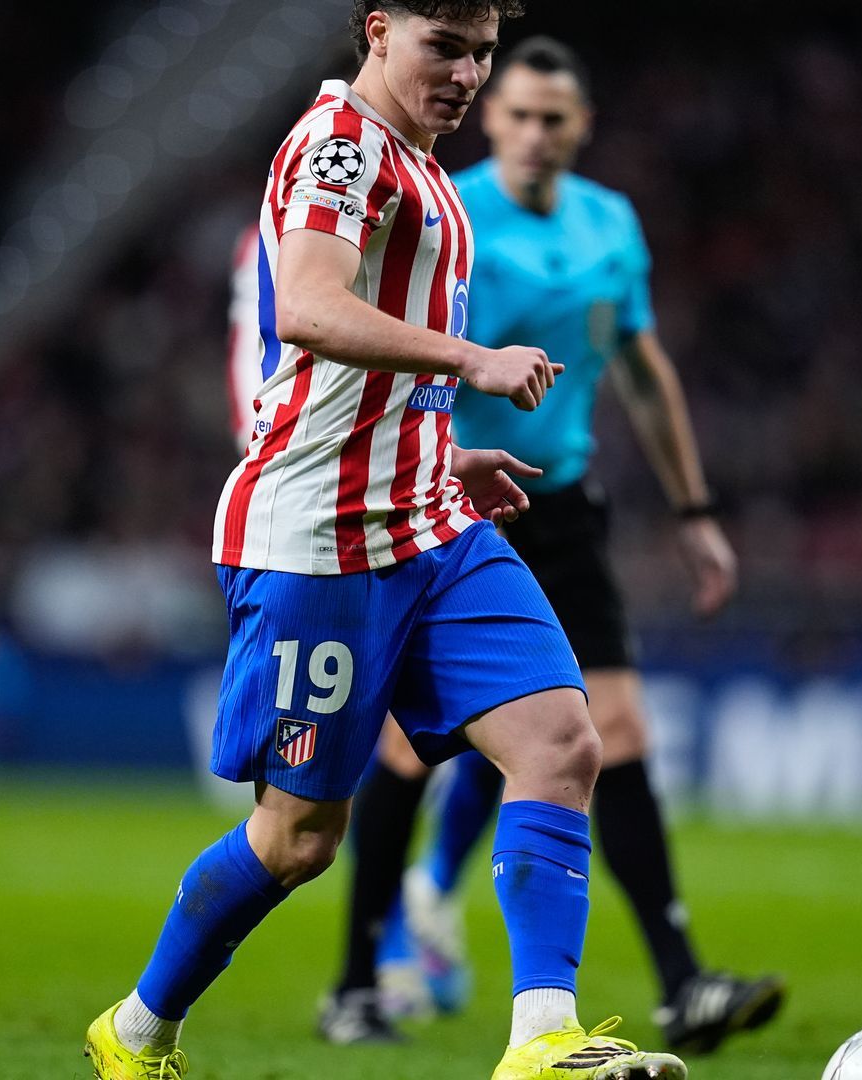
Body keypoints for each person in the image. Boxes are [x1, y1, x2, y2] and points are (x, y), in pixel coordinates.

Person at [83, 5, 689, 1079]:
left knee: (562, 742)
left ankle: (542, 1038)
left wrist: (443, 453)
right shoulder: (338, 146)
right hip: (320, 544)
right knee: (298, 841)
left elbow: (359, 379)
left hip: (429, 520)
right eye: (443, 47)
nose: (468, 73)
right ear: (377, 31)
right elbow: (309, 310)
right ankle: (135, 1031)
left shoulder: (422, 166)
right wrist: (471, 360)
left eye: (482, 51)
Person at [313, 36, 785, 1058]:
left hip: (562, 507)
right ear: (492, 118)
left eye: (553, 119)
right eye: (518, 114)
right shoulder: (446, 208)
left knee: (614, 730)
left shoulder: (610, 224)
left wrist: (695, 510)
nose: (533, 133)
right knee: (405, 749)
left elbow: (642, 371)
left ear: (581, 128)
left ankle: (683, 984)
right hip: (446, 501)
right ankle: (355, 983)